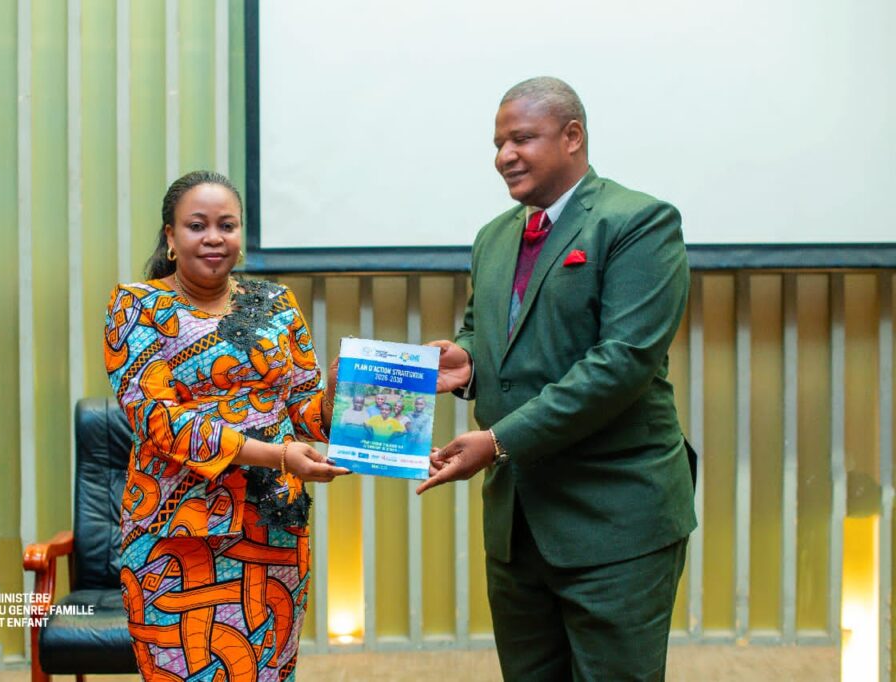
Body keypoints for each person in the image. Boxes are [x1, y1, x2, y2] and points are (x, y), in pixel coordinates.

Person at [416, 78, 696, 681]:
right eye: (498, 144)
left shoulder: (637, 222)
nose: (505, 156)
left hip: (615, 520)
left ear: (572, 136)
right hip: (517, 523)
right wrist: (467, 361)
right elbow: (484, 331)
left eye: (522, 139)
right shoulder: (495, 237)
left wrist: (498, 441)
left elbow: (621, 362)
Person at [104, 170, 349, 681]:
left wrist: (337, 396)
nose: (214, 237)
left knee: (268, 670)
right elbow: (159, 421)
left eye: (227, 225)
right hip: (176, 533)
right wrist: (276, 455)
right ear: (171, 237)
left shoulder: (277, 302)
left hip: (272, 529)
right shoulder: (136, 305)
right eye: (197, 226)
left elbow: (303, 411)